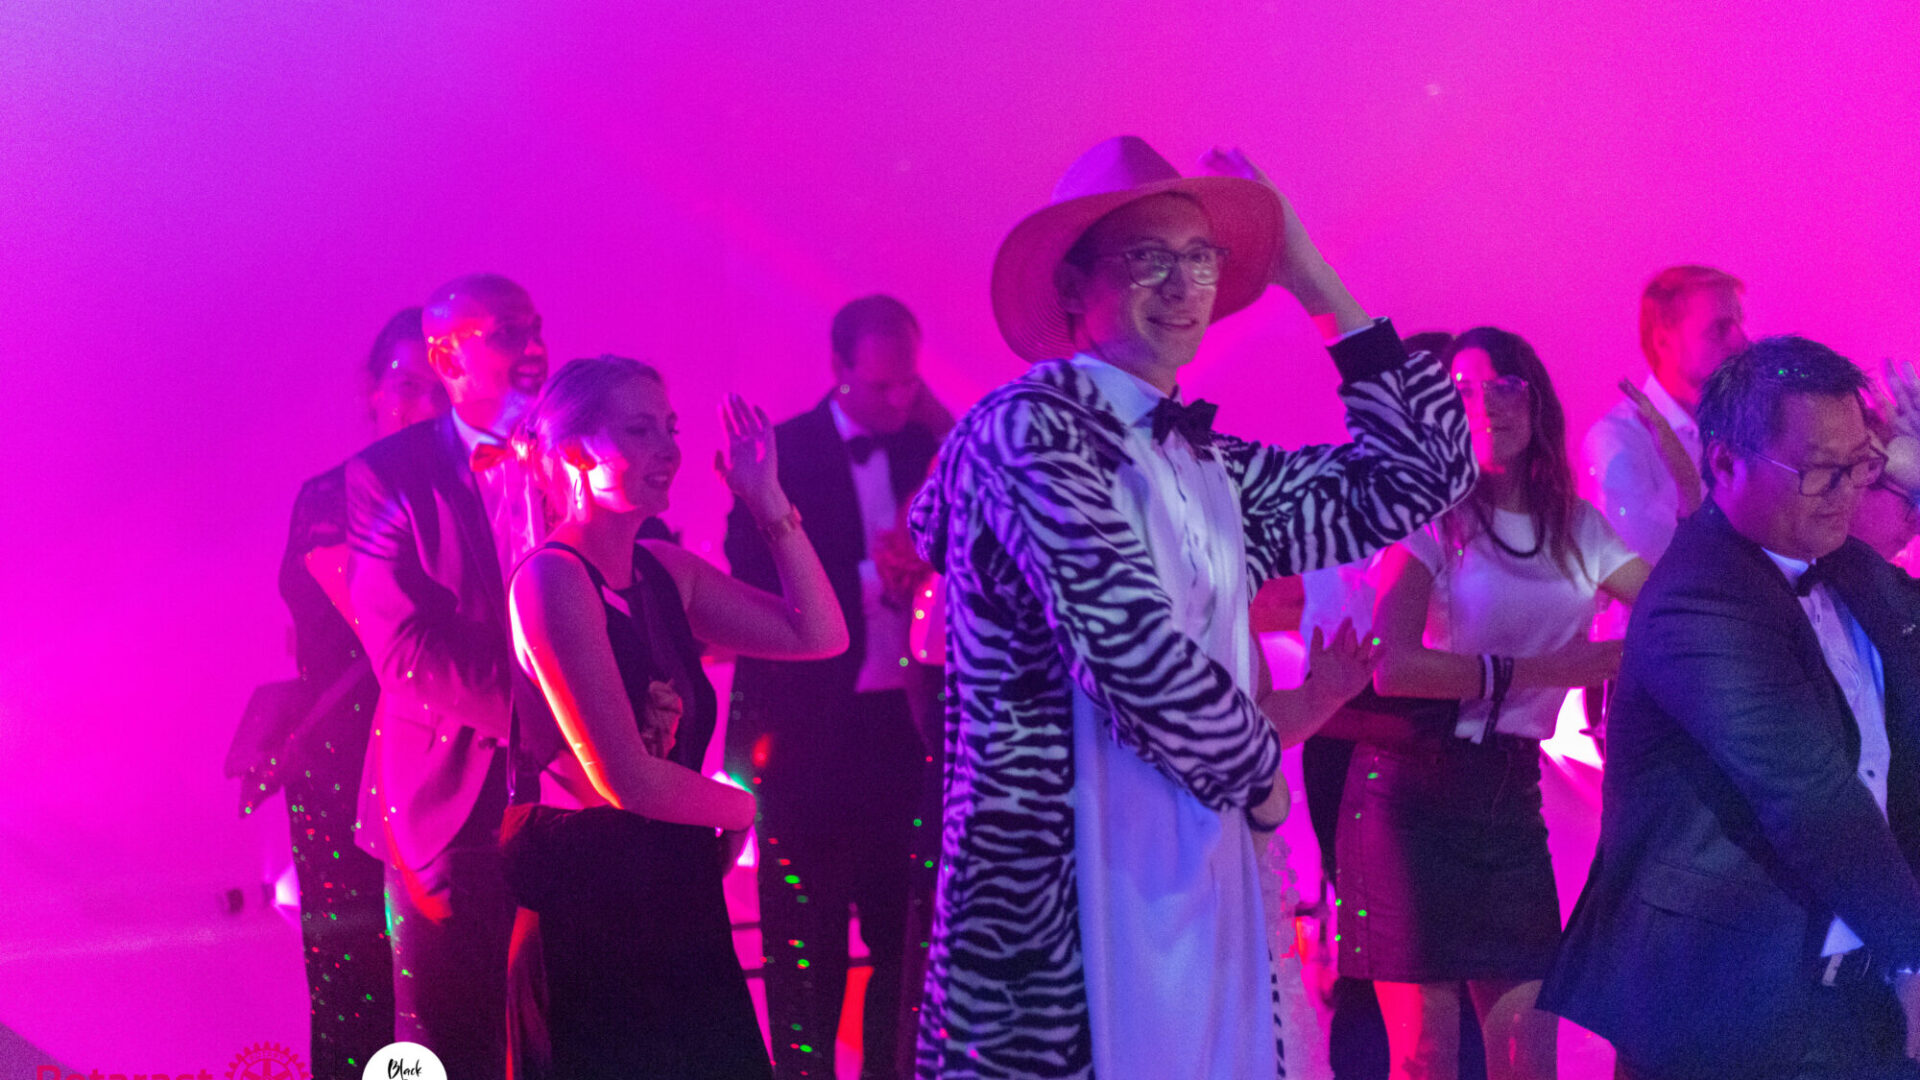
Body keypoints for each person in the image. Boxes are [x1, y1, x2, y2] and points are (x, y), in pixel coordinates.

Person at [907, 135, 1476, 1080]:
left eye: (1201, 257)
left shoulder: (1207, 462)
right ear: (1073, 287)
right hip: (1061, 901)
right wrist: (1263, 776)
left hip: (1197, 880)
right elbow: (1134, 656)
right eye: (1148, 258)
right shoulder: (1026, 428)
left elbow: (1421, 478)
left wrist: (1309, 274)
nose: (1183, 285)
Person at [1541, 336, 1920, 1079]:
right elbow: (1809, 794)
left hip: (1844, 997)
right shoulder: (1699, 598)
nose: (1846, 490)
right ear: (1723, 463)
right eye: (1820, 471)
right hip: (1719, 1003)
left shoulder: (1847, 565)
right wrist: (1913, 953)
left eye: (1861, 466)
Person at [505, 355, 848, 1078]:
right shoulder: (552, 578)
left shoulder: (665, 570)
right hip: (592, 908)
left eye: (671, 428)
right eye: (640, 430)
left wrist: (768, 501)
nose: (669, 449)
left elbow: (820, 635)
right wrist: (739, 809)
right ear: (575, 452)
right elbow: (624, 777)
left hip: (674, 891)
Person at [1344, 327, 1649, 1080]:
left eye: (1503, 386)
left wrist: (1698, 496)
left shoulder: (1576, 527)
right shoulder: (1428, 517)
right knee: (1425, 1057)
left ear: (1534, 400)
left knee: (1528, 1052)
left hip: (1510, 797)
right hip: (1410, 794)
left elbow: (1670, 613)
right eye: (1462, 391)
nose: (1485, 406)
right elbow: (1393, 665)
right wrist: (1543, 671)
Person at [723, 295, 945, 1080]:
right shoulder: (781, 454)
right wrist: (874, 580)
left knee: (907, 946)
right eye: (882, 385)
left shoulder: (929, 443)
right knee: (805, 954)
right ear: (838, 369)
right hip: (806, 742)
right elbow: (751, 582)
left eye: (909, 382)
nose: (900, 399)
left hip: (905, 735)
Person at [346, 273, 562, 1080]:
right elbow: (404, 649)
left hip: (578, 795)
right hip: (449, 798)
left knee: (569, 1031)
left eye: (535, 325)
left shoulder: (580, 450)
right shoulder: (387, 474)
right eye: (507, 332)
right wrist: (551, 716)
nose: (534, 346)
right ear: (446, 358)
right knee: (450, 1040)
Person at [275, 307, 445, 1076]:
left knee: (449, 985)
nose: (424, 406)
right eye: (408, 386)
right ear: (372, 391)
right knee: (356, 985)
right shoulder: (329, 499)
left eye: (442, 389)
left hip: (444, 766)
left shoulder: (483, 499)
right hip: (345, 770)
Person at [1582, 265, 1749, 564]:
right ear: (1663, 341)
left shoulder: (1748, 424)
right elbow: (1643, 554)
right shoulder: (1617, 439)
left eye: (1739, 324)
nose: (1741, 341)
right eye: (1719, 329)